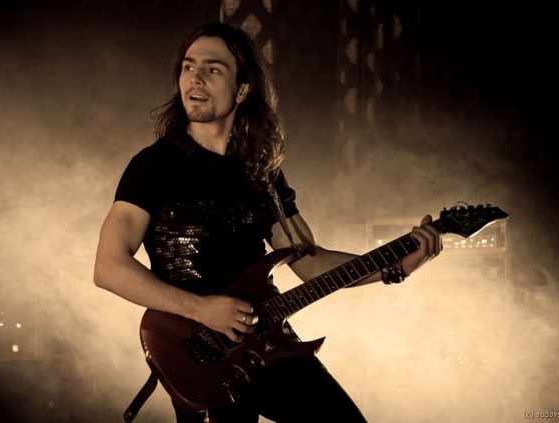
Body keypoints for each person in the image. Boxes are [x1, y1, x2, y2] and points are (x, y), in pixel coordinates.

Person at [94, 22, 442, 423]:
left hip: (268, 342)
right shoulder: (153, 166)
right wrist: (202, 310)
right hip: (198, 352)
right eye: (188, 67)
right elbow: (108, 267)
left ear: (242, 90)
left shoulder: (261, 172)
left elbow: (309, 261)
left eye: (212, 69)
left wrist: (396, 267)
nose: (195, 78)